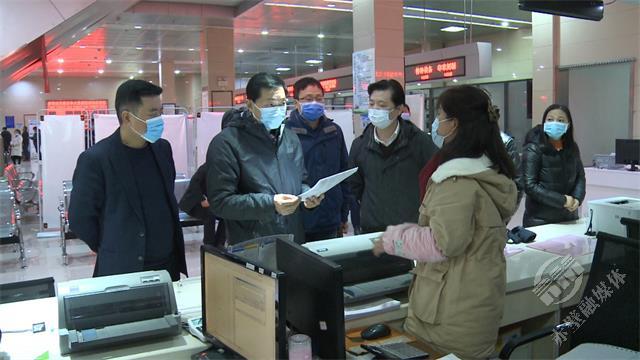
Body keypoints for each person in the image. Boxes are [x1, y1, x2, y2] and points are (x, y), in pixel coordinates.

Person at [373, 85, 518, 359]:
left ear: (455, 124)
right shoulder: (488, 170)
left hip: (448, 315)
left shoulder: (456, 180)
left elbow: (443, 243)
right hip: (476, 302)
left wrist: (393, 240)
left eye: (440, 115)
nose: (436, 122)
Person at [68, 79, 187, 280]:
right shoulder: (97, 159)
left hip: (167, 267)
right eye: (152, 113)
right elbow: (80, 218)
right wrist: (111, 245)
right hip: (124, 269)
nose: (160, 119)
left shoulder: (162, 149)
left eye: (160, 112)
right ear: (127, 117)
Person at [207, 73, 323, 245]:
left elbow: (301, 181)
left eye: (282, 103)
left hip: (293, 239)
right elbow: (221, 202)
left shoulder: (290, 138)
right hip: (252, 244)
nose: (278, 109)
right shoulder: (227, 143)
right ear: (250, 105)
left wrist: (308, 197)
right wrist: (270, 204)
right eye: (270, 104)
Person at [348, 79, 437, 233]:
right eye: (371, 104)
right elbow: (354, 186)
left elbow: (435, 180)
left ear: (399, 109)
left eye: (382, 105)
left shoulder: (420, 142)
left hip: (410, 229)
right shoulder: (360, 145)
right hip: (373, 230)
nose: (375, 110)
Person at [286, 77, 350, 241]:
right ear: (296, 103)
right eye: (308, 99)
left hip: (330, 218)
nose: (314, 103)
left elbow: (343, 173)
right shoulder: (285, 132)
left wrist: (344, 214)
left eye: (319, 98)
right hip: (296, 220)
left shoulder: (334, 131)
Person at [522, 104, 586, 227]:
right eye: (550, 119)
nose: (555, 123)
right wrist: (563, 200)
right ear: (544, 122)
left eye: (561, 120)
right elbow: (530, 186)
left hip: (569, 218)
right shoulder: (534, 147)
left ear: (568, 124)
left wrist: (577, 199)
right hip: (540, 219)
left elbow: (580, 177)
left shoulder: (572, 147)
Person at [179, 163, 225, 248]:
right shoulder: (206, 167)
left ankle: (220, 243)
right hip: (192, 204)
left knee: (226, 212)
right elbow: (194, 185)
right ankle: (209, 244)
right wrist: (202, 199)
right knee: (209, 213)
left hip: (209, 204)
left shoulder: (222, 170)